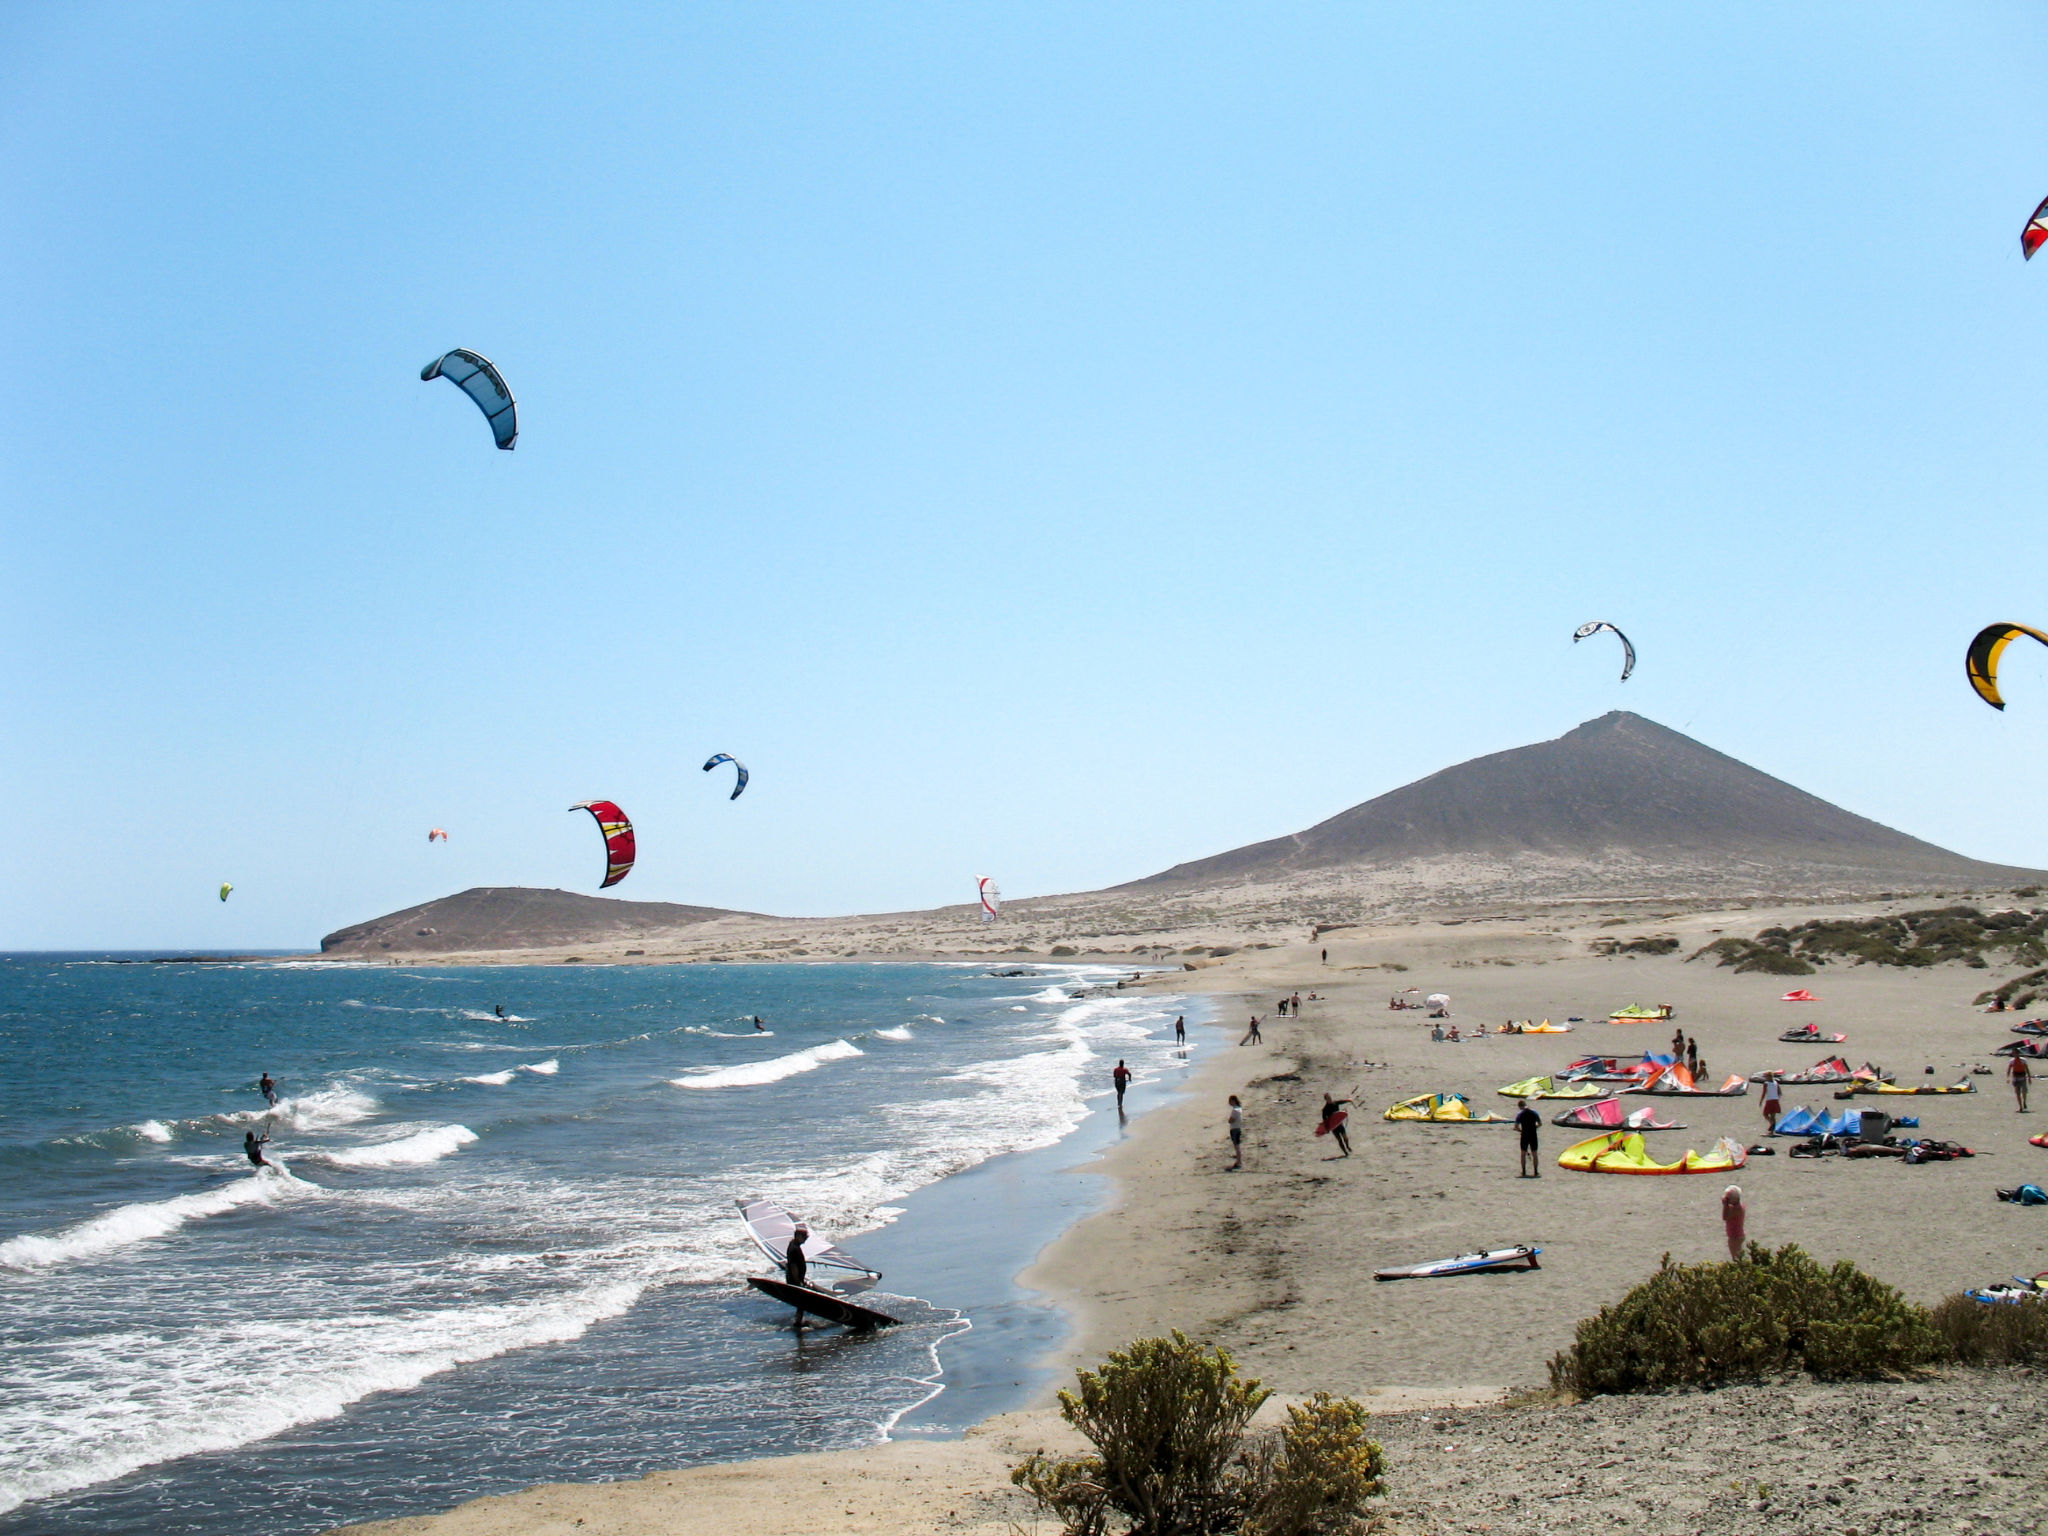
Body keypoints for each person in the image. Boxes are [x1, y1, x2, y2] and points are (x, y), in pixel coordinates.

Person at [1515, 1098, 1542, 1177]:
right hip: (1533, 1134)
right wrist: (1535, 1127)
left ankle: (1523, 1172)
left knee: (1523, 1153)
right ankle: (1536, 1172)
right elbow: (1540, 1123)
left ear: (1520, 1107)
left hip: (1525, 1134)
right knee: (1534, 1153)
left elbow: (1516, 1126)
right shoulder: (1534, 1112)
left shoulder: (1520, 1114)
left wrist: (1520, 1131)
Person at [1722, 1186, 1747, 1261]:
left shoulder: (1737, 1209)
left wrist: (1725, 1205)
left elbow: (1725, 1217)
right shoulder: (1738, 1206)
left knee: (1736, 1258)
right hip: (1736, 1235)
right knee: (1737, 1257)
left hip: (1735, 1236)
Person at [1227, 1095, 1244, 1169]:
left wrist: (1229, 1120)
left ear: (1233, 1101)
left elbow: (1231, 1120)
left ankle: (1239, 1162)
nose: (1229, 1103)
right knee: (1237, 1146)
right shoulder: (1239, 1109)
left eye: (1230, 1101)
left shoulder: (1235, 1110)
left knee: (1236, 1146)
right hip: (1238, 1128)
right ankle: (1239, 1161)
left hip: (1234, 1129)